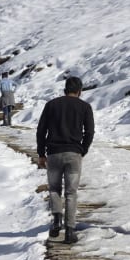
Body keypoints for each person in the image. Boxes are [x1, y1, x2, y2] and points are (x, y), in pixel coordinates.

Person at [36, 76, 95, 244]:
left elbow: (41, 131)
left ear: (65, 89)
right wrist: (83, 149)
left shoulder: (51, 105)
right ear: (79, 91)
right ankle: (69, 231)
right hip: (74, 153)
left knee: (54, 188)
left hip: (53, 153)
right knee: (71, 192)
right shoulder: (85, 107)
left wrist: (41, 153)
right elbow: (89, 132)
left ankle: (56, 219)